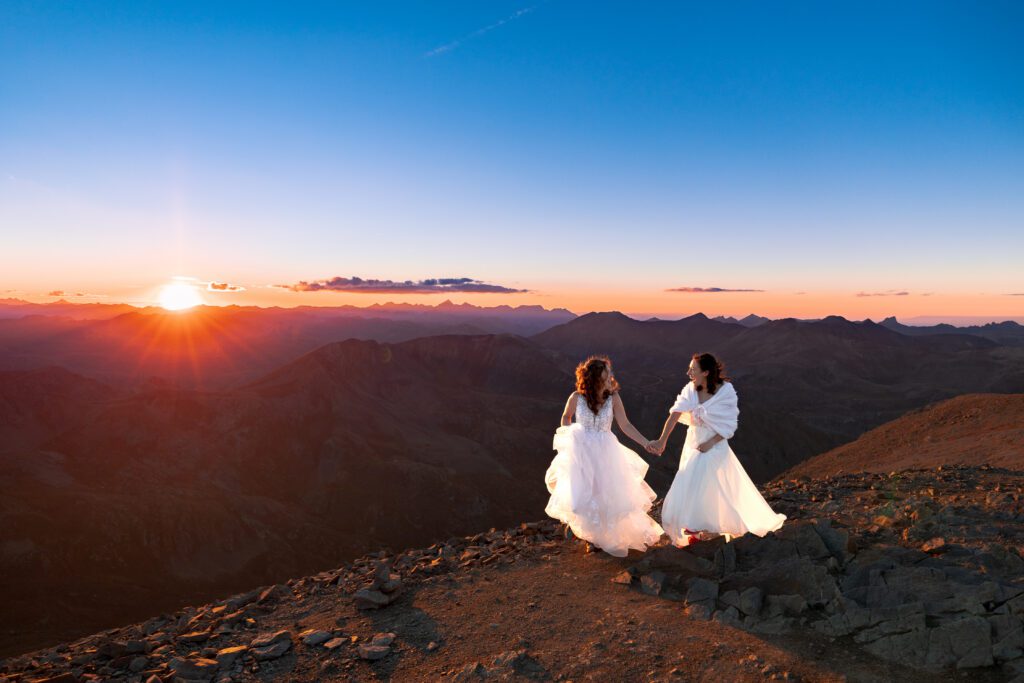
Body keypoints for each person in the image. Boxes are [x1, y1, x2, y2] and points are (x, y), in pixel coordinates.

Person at [650, 353, 786, 547]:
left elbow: (729, 425)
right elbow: (675, 414)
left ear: (705, 372)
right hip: (694, 441)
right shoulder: (690, 389)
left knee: (704, 482)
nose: (688, 372)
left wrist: (711, 443)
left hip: (714, 444)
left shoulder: (726, 392)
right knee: (693, 481)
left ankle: (698, 526)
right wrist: (662, 440)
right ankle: (694, 528)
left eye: (693, 369)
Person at [544, 356, 664, 556]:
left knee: (606, 495)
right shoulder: (576, 397)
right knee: (584, 495)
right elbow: (566, 416)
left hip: (607, 452)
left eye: (609, 374)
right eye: (606, 374)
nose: (610, 377)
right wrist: (569, 437)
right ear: (593, 378)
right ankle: (592, 538)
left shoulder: (613, 398)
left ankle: (607, 536)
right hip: (582, 452)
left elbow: (625, 425)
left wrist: (645, 443)